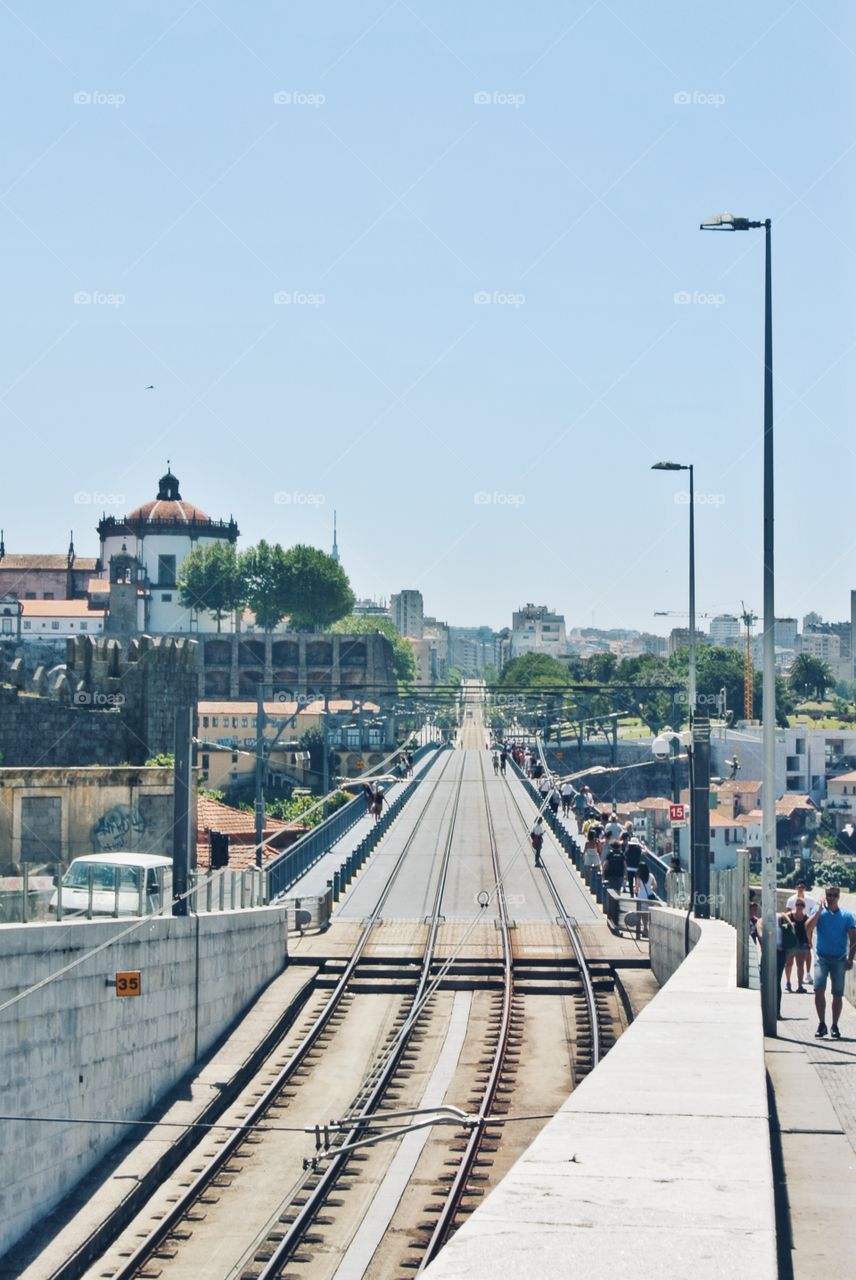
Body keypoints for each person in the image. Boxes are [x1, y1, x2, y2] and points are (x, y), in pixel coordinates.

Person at [806, 886, 856, 1039]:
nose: (831, 897)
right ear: (825, 895)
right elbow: (807, 927)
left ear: (838, 896)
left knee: (837, 994)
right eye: (829, 894)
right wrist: (819, 911)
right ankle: (822, 1024)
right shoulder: (819, 912)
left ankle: (835, 1025)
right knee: (818, 989)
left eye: (834, 895)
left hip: (839, 959)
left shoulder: (847, 916)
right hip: (822, 958)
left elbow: (854, 939)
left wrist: (850, 958)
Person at [784, 899, 812, 993]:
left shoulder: (806, 917)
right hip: (791, 943)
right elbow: (781, 925)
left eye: (801, 905)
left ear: (803, 907)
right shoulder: (789, 915)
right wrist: (789, 924)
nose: (799, 906)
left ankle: (800, 985)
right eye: (797, 904)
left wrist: (809, 942)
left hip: (802, 943)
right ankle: (788, 982)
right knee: (789, 963)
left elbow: (809, 930)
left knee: (800, 965)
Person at [775, 912, 799, 1018]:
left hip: (779, 953)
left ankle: (776, 1011)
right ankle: (775, 1011)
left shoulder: (780, 917)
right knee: (775, 982)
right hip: (778, 952)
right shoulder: (780, 917)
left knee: (776, 982)